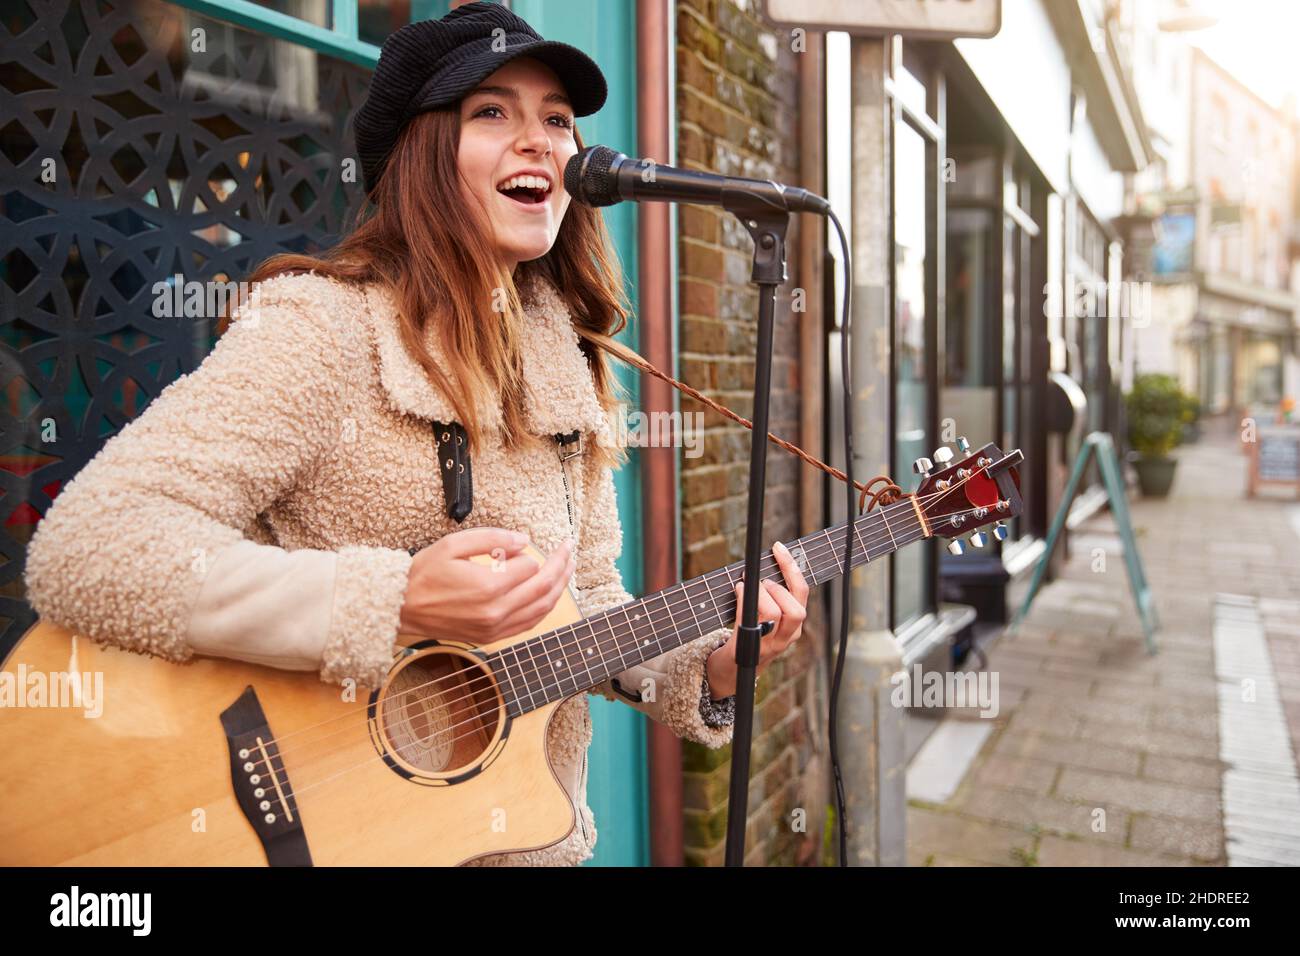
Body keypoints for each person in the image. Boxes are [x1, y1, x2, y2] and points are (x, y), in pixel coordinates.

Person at [23, 1, 809, 866]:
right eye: (492, 112)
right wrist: (387, 602)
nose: (540, 140)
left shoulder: (568, 361)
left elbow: (586, 606)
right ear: (422, 153)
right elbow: (89, 547)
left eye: (556, 119)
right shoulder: (323, 329)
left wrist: (716, 665)